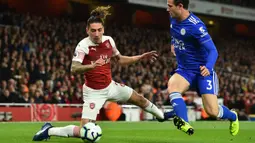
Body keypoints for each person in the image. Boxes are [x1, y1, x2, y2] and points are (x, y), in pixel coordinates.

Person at [32, 6, 166, 141]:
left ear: (103, 29)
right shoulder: (83, 46)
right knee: (83, 132)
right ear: (87, 30)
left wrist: (140, 57)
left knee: (139, 99)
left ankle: (162, 116)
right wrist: (92, 65)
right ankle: (49, 130)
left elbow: (119, 60)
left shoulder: (109, 41)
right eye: (93, 31)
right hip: (93, 92)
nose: (96, 34)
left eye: (99, 30)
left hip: (110, 86)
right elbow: (74, 68)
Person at [165, 0, 239, 136]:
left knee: (212, 111)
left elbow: (213, 51)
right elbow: (175, 33)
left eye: (170, 6)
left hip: (202, 72)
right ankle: (184, 122)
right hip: (185, 70)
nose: (167, 9)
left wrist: (208, 67)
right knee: (172, 86)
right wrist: (173, 43)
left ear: (180, 6)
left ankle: (233, 116)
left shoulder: (196, 26)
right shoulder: (173, 17)